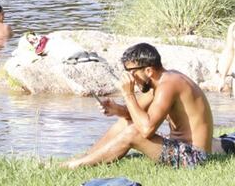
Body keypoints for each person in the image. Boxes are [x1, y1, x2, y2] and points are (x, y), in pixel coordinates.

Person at [62, 43, 214, 169]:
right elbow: (134, 114)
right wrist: (116, 109)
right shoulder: (160, 81)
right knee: (125, 122)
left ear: (148, 70)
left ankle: (75, 166)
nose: (130, 79)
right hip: (179, 146)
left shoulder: (169, 84)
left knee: (133, 132)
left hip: (195, 157)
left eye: (131, 72)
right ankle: (87, 156)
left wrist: (129, 94)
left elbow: (146, 130)